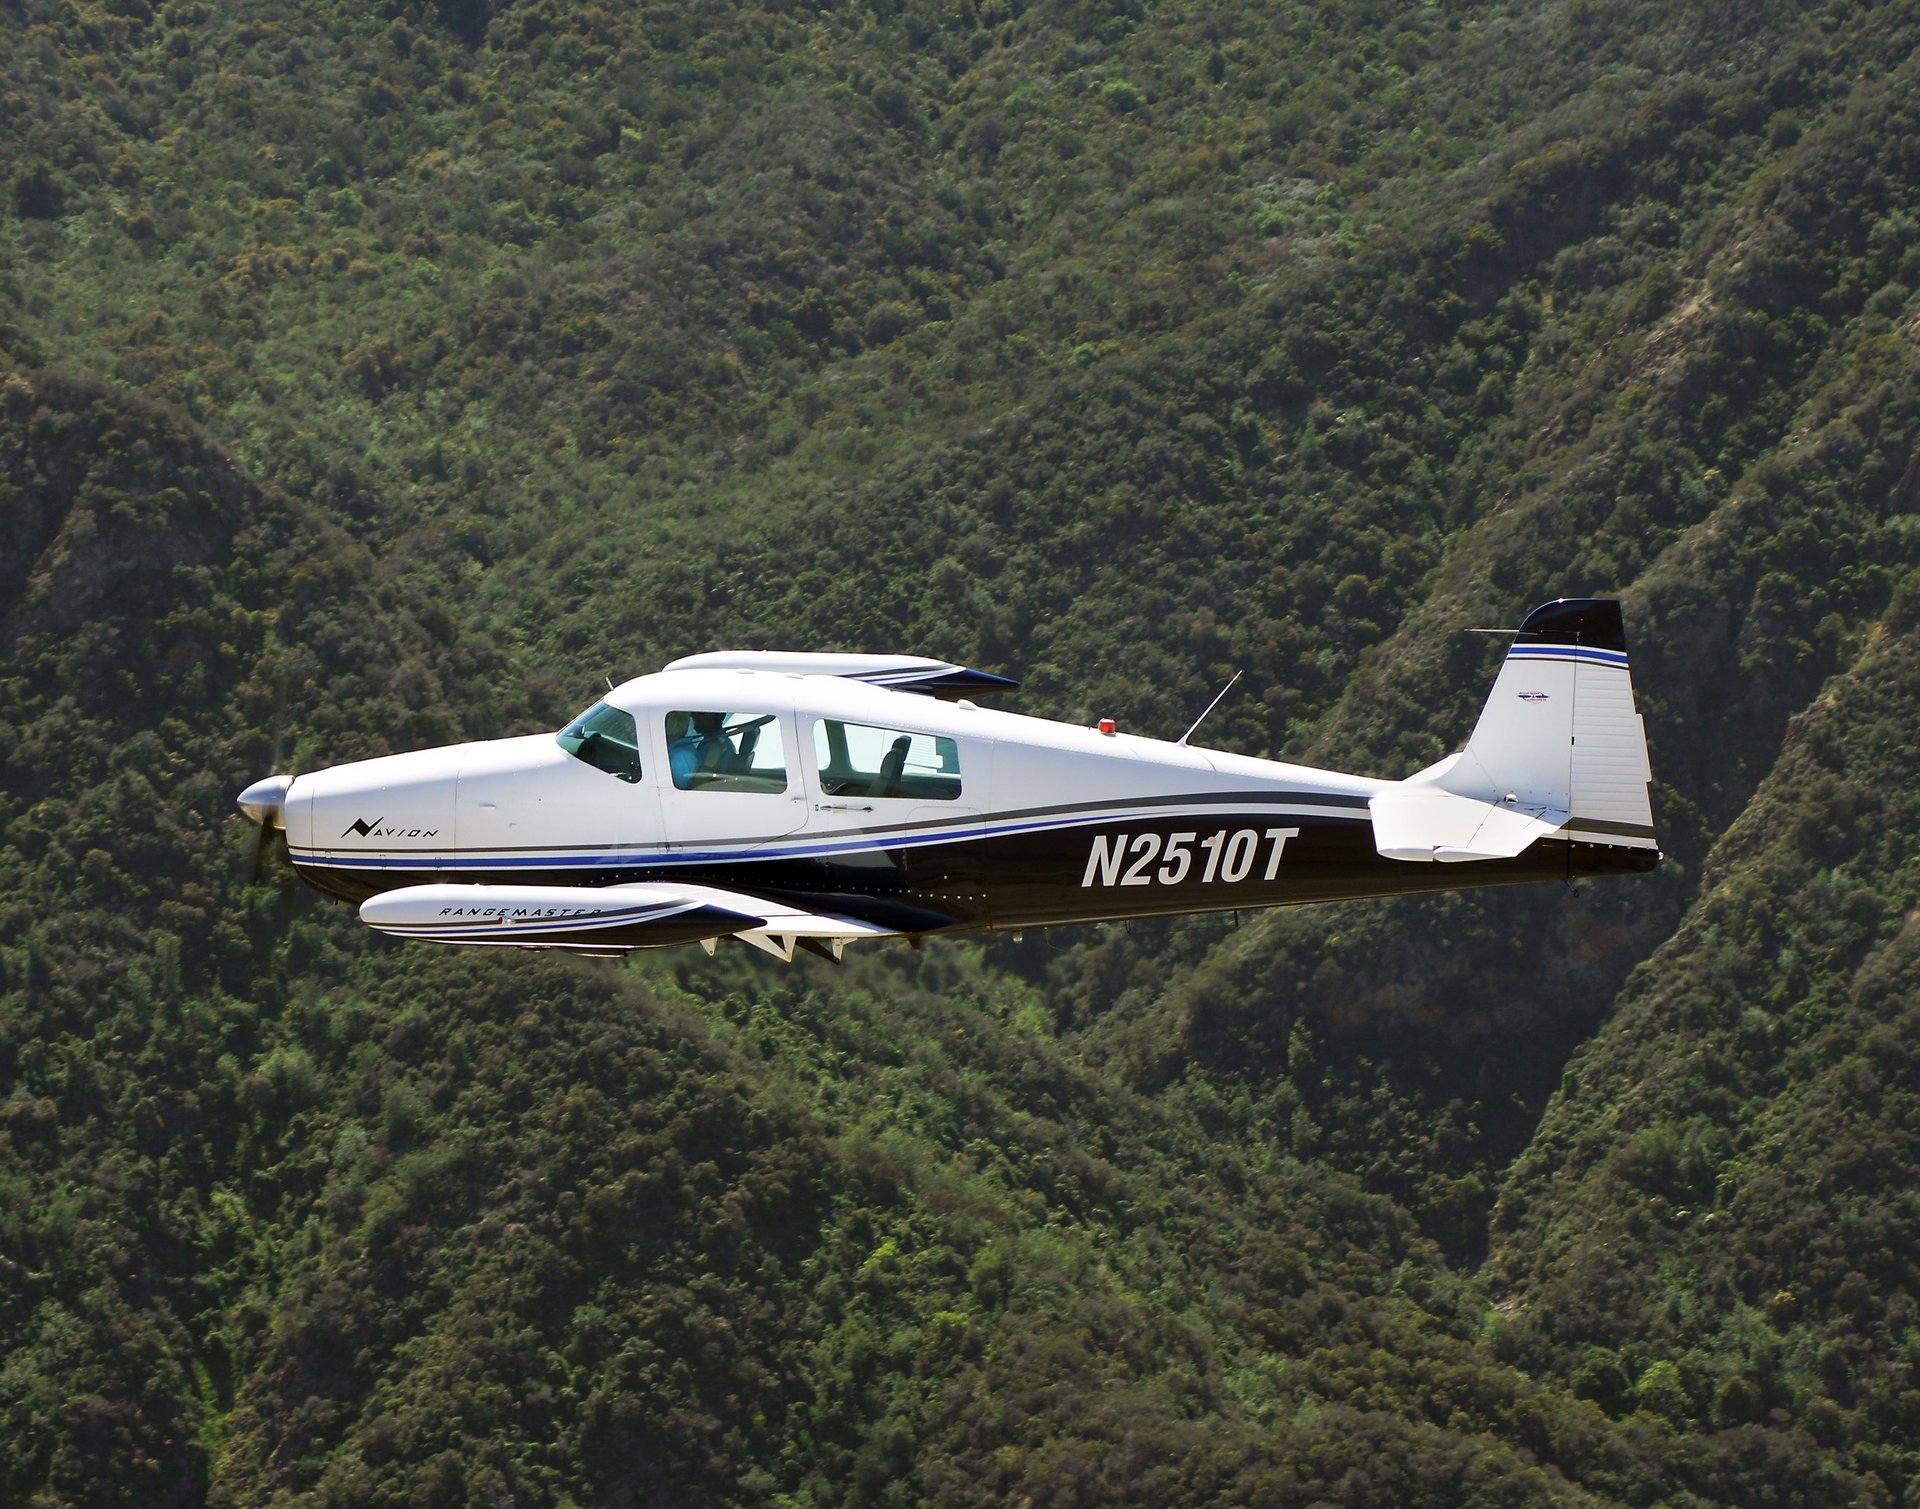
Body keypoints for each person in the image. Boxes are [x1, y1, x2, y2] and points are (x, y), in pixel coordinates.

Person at [669, 711, 729, 787]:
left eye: (701, 713)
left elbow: (701, 782)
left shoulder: (715, 745)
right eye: (693, 714)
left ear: (718, 716)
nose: (693, 717)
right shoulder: (708, 743)